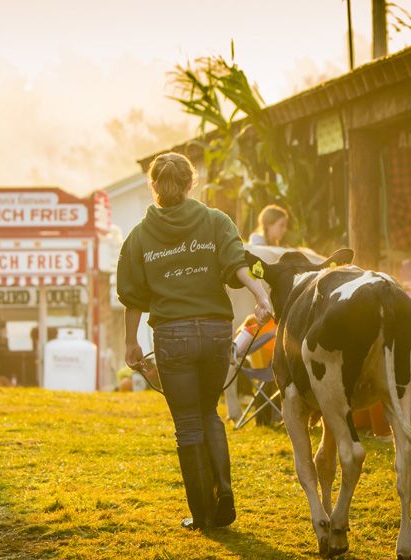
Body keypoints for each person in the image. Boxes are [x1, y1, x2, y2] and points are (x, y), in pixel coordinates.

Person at [117, 152, 273, 531]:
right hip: (216, 331)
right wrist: (260, 294)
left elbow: (133, 296)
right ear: (191, 183)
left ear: (153, 186)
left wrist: (131, 343)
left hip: (172, 336)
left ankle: (203, 514)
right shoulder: (215, 221)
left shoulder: (139, 235)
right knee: (209, 413)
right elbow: (236, 262)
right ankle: (224, 495)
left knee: (188, 423)